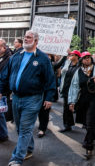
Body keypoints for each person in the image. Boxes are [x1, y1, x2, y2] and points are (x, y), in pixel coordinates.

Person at [0, 30, 56, 166]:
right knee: (20, 127)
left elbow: (50, 79)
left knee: (25, 128)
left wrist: (49, 97)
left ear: (36, 41)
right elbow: (5, 76)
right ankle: (29, 148)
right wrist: (1, 90)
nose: (26, 39)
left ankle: (17, 158)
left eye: (29, 37)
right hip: (16, 98)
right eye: (25, 37)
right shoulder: (16, 56)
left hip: (33, 98)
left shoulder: (42, 58)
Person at [68, 51, 95, 157]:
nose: (87, 59)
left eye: (88, 57)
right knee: (86, 123)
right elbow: (74, 87)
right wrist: (72, 102)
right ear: (81, 60)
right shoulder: (78, 72)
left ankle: (89, 146)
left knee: (90, 122)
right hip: (83, 100)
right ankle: (92, 135)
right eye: (85, 58)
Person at [59, 50, 81, 132]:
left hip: (76, 91)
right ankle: (67, 125)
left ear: (77, 57)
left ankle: (86, 123)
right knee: (66, 108)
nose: (70, 55)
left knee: (78, 107)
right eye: (70, 54)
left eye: (72, 54)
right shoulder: (67, 64)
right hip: (66, 89)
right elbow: (61, 70)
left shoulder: (80, 66)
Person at [0, 39, 12, 142]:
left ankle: (3, 135)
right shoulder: (2, 57)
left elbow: (5, 77)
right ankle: (3, 134)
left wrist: (1, 91)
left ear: (4, 48)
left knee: (0, 113)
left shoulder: (8, 59)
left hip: (3, 90)